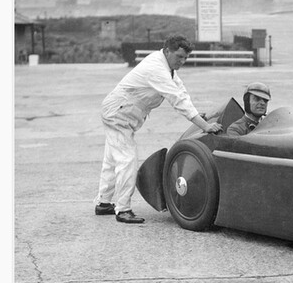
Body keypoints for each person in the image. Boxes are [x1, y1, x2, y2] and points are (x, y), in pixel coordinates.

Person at [93, 34, 222, 223]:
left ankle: (103, 203)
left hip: (122, 113)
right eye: (179, 57)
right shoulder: (156, 68)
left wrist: (200, 116)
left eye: (185, 58)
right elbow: (176, 100)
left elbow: (181, 93)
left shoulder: (168, 69)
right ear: (167, 51)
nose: (182, 61)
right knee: (127, 160)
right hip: (118, 115)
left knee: (111, 161)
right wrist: (205, 126)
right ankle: (123, 210)